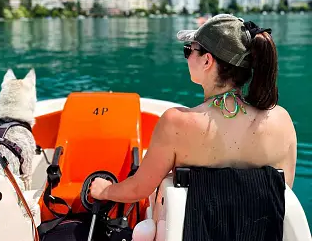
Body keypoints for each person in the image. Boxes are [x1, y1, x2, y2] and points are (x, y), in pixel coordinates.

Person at [90, 14, 297, 203]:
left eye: (189, 50)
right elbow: (283, 195)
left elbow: (137, 190)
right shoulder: (281, 121)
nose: (187, 56)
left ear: (207, 60)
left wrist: (104, 190)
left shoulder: (176, 123)